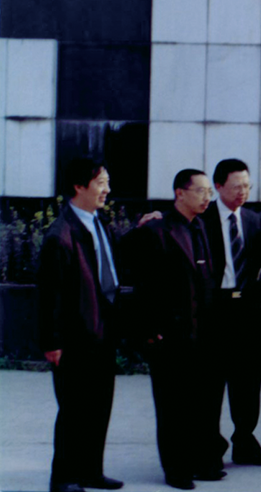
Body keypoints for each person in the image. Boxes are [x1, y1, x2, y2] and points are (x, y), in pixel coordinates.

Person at [127, 169, 224, 490]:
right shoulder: (157, 230)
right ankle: (176, 469)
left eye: (209, 192)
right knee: (172, 407)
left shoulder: (202, 227)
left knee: (198, 405)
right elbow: (142, 285)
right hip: (168, 336)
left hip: (201, 335)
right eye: (201, 191)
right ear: (180, 193)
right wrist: (150, 330)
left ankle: (199, 462)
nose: (207, 197)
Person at [38, 158, 125, 492]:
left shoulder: (97, 223)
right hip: (75, 339)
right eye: (101, 182)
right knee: (74, 410)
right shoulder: (61, 234)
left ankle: (90, 471)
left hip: (102, 333)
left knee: (99, 407)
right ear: (78, 186)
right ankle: (63, 478)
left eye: (107, 182)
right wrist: (52, 342)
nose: (107, 189)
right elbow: (50, 295)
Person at [202, 159, 261, 467]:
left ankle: (245, 441)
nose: (242, 192)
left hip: (247, 309)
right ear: (218, 186)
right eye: (236, 187)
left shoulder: (253, 219)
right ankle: (210, 446)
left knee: (247, 382)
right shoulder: (202, 218)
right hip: (214, 310)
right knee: (210, 383)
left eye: (247, 186)